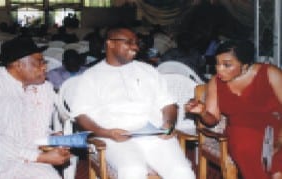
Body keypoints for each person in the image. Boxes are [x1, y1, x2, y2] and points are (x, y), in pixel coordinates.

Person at [68, 27, 195, 179]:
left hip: (155, 136)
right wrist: (105, 133)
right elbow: (80, 115)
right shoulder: (91, 77)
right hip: (115, 139)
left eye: (136, 42)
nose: (135, 47)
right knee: (133, 170)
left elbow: (169, 104)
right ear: (110, 44)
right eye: (128, 42)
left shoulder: (148, 70)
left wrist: (169, 124)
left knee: (182, 173)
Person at [185, 40, 282, 179]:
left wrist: (279, 139)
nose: (219, 69)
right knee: (245, 145)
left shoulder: (270, 73)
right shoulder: (216, 82)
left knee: (277, 163)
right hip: (241, 130)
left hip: (275, 127)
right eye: (217, 63)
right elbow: (212, 120)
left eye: (227, 65)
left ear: (245, 65)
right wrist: (202, 112)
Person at [0, 37, 71, 179]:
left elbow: (31, 133)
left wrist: (50, 138)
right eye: (39, 62)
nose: (45, 67)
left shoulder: (41, 88)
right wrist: (39, 157)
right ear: (18, 65)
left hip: (23, 160)